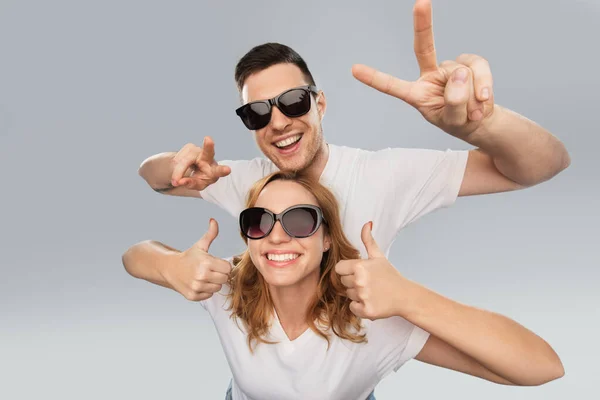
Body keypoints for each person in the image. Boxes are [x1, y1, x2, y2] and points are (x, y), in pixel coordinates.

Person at [137, 0, 570, 261]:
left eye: (293, 102)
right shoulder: (244, 181)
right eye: (257, 112)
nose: (279, 122)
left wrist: (484, 124)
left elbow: (543, 165)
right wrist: (177, 165)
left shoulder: (385, 174)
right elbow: (152, 178)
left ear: (320, 103)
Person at [122, 171, 564, 400]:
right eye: (259, 221)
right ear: (248, 236)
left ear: (327, 237)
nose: (277, 235)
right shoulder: (230, 288)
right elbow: (135, 254)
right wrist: (172, 266)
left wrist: (409, 297)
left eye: (299, 220)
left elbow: (542, 366)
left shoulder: (372, 323)